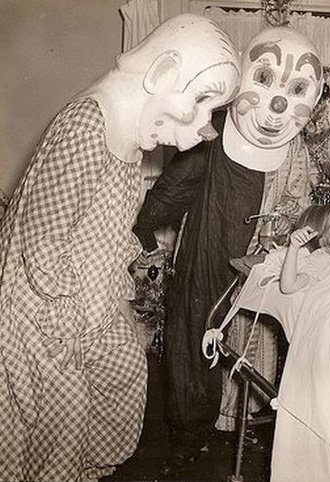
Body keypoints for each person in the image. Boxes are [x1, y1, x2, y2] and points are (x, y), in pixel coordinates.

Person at [0, 14, 240, 482]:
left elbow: (106, 227)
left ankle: (88, 469)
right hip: (43, 309)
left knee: (124, 371)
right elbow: (43, 238)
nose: (204, 126)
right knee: (61, 421)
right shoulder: (86, 125)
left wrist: (120, 294)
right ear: (162, 73)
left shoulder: (129, 138)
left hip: (91, 300)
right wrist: (64, 324)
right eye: (201, 101)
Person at [131, 26, 322, 465]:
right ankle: (187, 437)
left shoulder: (296, 151)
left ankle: (233, 421)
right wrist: (144, 232)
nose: (277, 105)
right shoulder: (212, 135)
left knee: (250, 343)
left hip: (259, 265)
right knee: (192, 336)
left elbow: (298, 203)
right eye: (265, 80)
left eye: (295, 90)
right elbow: (172, 191)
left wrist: (284, 235)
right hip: (207, 251)